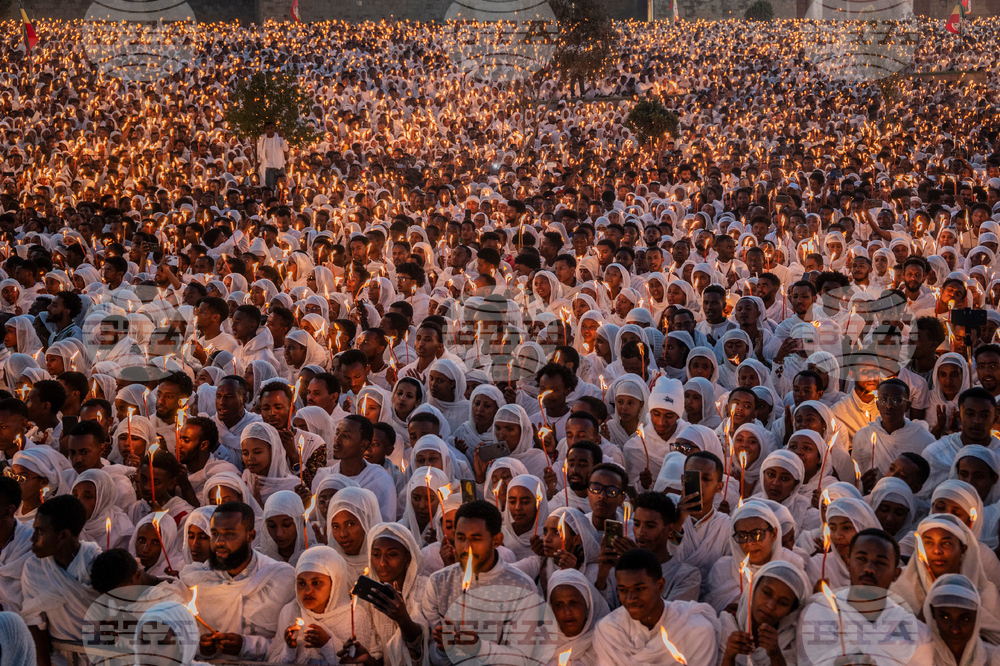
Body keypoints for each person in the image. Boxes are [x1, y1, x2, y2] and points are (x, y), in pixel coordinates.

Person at [796, 528, 933, 665]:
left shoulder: (916, 634)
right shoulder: (819, 614)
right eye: (861, 559)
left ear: (896, 574)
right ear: (848, 562)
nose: (869, 568)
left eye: (881, 562)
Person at [180, 501, 296, 661]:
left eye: (229, 534)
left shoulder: (279, 578)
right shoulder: (199, 579)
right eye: (214, 534)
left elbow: (289, 647)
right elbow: (182, 641)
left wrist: (246, 646)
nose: (219, 542)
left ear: (251, 536)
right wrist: (201, 647)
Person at [593, 548, 720, 664]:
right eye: (623, 590)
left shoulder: (696, 630)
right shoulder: (609, 630)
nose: (630, 599)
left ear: (660, 586)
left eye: (640, 589)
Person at [20, 495, 99, 666]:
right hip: (60, 659)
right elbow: (33, 621)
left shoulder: (97, 564)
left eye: (39, 532)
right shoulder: (34, 568)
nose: (32, 539)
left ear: (63, 535)